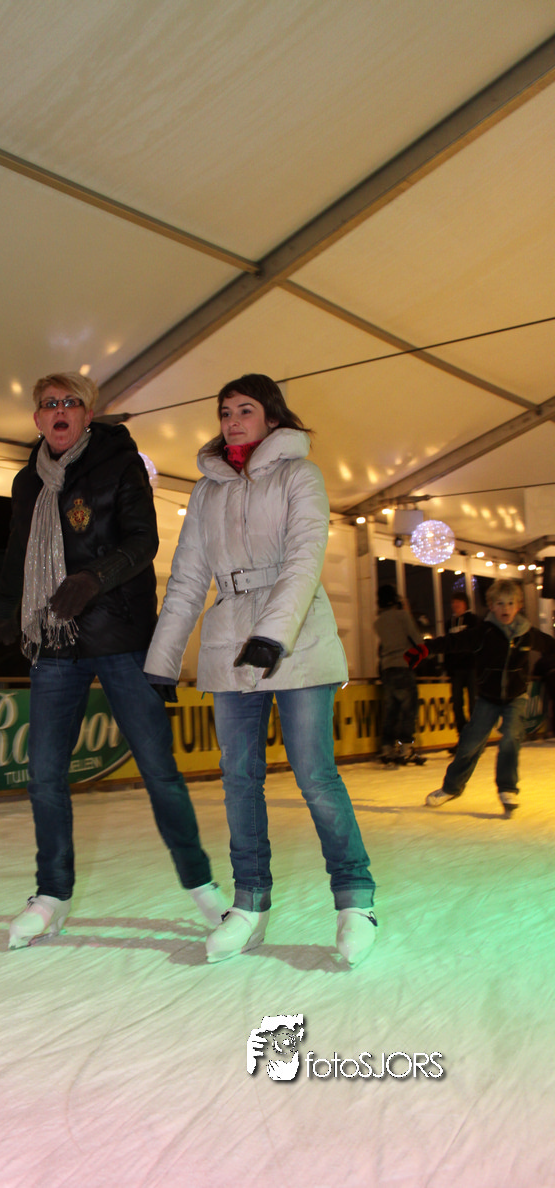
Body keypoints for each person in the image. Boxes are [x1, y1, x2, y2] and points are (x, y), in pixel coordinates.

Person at [0, 371, 227, 949]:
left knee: (158, 769)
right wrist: (4, 608)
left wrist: (94, 578)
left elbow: (144, 542)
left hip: (120, 637)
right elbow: (19, 551)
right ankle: (51, 896)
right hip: (54, 640)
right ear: (37, 419)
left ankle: (201, 884)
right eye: (49, 404)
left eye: (70, 402)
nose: (60, 411)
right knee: (45, 776)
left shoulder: (121, 464)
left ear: (87, 414)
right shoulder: (27, 481)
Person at [144, 374, 376, 966]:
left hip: (297, 637)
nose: (232, 421)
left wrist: (272, 635)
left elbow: (304, 558)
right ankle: (249, 904)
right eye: (225, 412)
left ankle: (355, 900)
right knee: (239, 779)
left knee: (315, 774)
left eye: (244, 410)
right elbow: (188, 578)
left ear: (272, 417)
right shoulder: (207, 491)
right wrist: (162, 661)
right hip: (228, 641)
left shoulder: (301, 475)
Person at [417, 579, 555, 814]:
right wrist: (426, 648)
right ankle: (451, 788)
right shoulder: (484, 633)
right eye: (500, 603)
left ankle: (507, 788)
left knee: (511, 738)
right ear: (491, 606)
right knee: (470, 744)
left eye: (510, 603)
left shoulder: (527, 634)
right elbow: (454, 641)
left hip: (515, 697)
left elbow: (551, 645)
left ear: (519, 606)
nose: (505, 608)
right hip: (488, 698)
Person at [373, 585, 424, 764]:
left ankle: (387, 748)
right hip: (403, 665)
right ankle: (405, 749)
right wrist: (407, 611)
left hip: (387, 669)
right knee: (408, 710)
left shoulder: (378, 622)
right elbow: (416, 638)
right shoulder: (402, 616)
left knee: (391, 711)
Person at [443, 593, 478, 738]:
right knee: (457, 703)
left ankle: (475, 736)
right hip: (456, 669)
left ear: (465, 604)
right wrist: (447, 667)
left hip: (471, 667)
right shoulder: (449, 624)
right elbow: (447, 646)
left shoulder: (473, 620)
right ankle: (463, 735)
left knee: (473, 703)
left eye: (458, 602)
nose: (455, 605)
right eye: (453, 602)